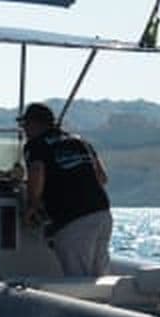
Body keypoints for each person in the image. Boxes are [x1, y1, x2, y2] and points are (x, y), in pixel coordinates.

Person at [20, 102, 112, 276]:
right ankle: (107, 303)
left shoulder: (36, 145)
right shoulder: (80, 142)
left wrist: (32, 206)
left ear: (34, 124)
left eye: (25, 125)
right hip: (101, 213)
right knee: (100, 273)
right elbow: (102, 178)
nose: (24, 130)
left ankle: (83, 303)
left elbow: (37, 172)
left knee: (77, 275)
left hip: (73, 219)